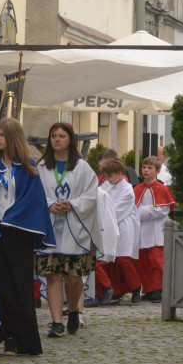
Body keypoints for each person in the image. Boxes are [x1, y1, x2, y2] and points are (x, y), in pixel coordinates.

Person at [0, 117, 55, 357]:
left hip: (18, 233)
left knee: (20, 288)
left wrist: (10, 217)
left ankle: (25, 342)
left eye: (1, 135)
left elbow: (33, 200)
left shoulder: (28, 166)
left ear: (12, 137)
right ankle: (2, 333)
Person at [36, 122, 100, 338]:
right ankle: (55, 322)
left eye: (62, 136)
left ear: (70, 139)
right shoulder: (42, 166)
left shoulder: (82, 167)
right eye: (53, 135)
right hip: (51, 228)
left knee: (73, 277)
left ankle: (73, 310)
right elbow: (34, 193)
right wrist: (49, 204)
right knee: (52, 275)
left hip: (74, 228)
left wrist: (71, 204)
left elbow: (92, 195)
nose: (57, 139)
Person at [98, 157, 142, 305]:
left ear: (119, 172)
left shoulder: (127, 189)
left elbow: (115, 211)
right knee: (109, 260)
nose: (106, 179)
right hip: (108, 226)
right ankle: (115, 290)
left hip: (123, 226)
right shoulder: (106, 185)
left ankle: (136, 287)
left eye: (109, 175)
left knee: (123, 259)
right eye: (105, 175)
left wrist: (101, 219)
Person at [133, 156, 174, 302]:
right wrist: (141, 212)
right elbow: (132, 208)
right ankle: (148, 289)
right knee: (143, 261)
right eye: (144, 167)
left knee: (157, 261)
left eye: (149, 168)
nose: (146, 170)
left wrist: (142, 212)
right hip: (142, 230)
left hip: (156, 230)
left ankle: (158, 289)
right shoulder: (137, 189)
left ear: (157, 171)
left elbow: (163, 209)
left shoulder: (162, 188)